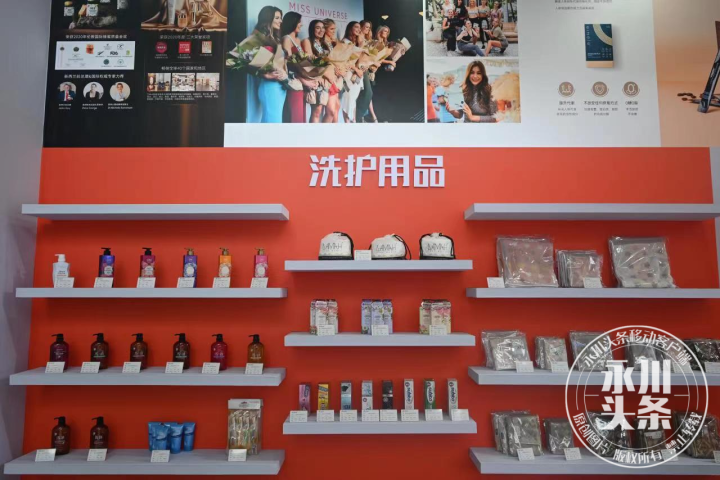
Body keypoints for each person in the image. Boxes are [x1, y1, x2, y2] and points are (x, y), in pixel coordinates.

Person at [281, 12, 318, 123]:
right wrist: (305, 81)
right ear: (292, 23)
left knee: (302, 118)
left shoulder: (298, 40)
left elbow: (301, 63)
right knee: (295, 118)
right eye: (299, 22)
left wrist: (312, 76)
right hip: (294, 84)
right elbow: (287, 66)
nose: (301, 24)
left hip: (302, 85)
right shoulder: (286, 39)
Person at [255, 6, 286, 123]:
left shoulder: (275, 38)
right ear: (268, 19)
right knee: (272, 123)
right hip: (270, 88)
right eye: (277, 18)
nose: (280, 21)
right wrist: (264, 75)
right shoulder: (259, 38)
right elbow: (246, 62)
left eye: (281, 18)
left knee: (275, 123)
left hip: (280, 86)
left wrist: (284, 73)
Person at [302, 19, 329, 123]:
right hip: (315, 79)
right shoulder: (307, 41)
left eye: (323, 28)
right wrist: (319, 76)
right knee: (316, 111)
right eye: (318, 28)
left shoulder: (324, 43)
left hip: (325, 80)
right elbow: (310, 60)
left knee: (320, 110)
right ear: (312, 29)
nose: (321, 30)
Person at [340, 21, 365, 123]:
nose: (359, 29)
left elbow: (360, 59)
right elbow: (344, 60)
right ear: (350, 28)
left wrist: (361, 69)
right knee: (348, 98)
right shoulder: (344, 42)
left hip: (357, 74)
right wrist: (355, 69)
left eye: (359, 28)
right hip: (348, 74)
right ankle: (347, 123)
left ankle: (353, 122)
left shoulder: (357, 43)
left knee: (353, 99)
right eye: (356, 27)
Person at [322, 18, 343, 123]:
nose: (334, 31)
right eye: (331, 29)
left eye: (335, 29)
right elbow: (324, 61)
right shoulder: (321, 42)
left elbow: (339, 58)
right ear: (325, 29)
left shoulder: (333, 42)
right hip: (327, 77)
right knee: (331, 110)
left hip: (336, 77)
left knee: (336, 107)